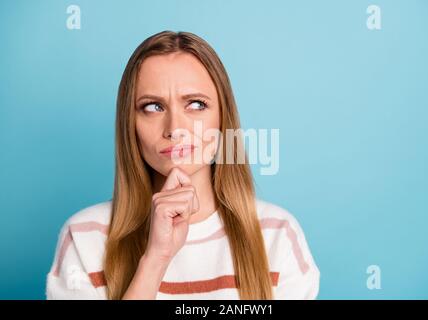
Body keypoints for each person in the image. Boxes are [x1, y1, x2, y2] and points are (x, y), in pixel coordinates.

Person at [46, 30, 320, 300]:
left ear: (223, 118)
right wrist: (155, 259)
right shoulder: (84, 237)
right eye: (153, 107)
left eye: (196, 105)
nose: (175, 129)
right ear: (130, 124)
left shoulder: (277, 235)